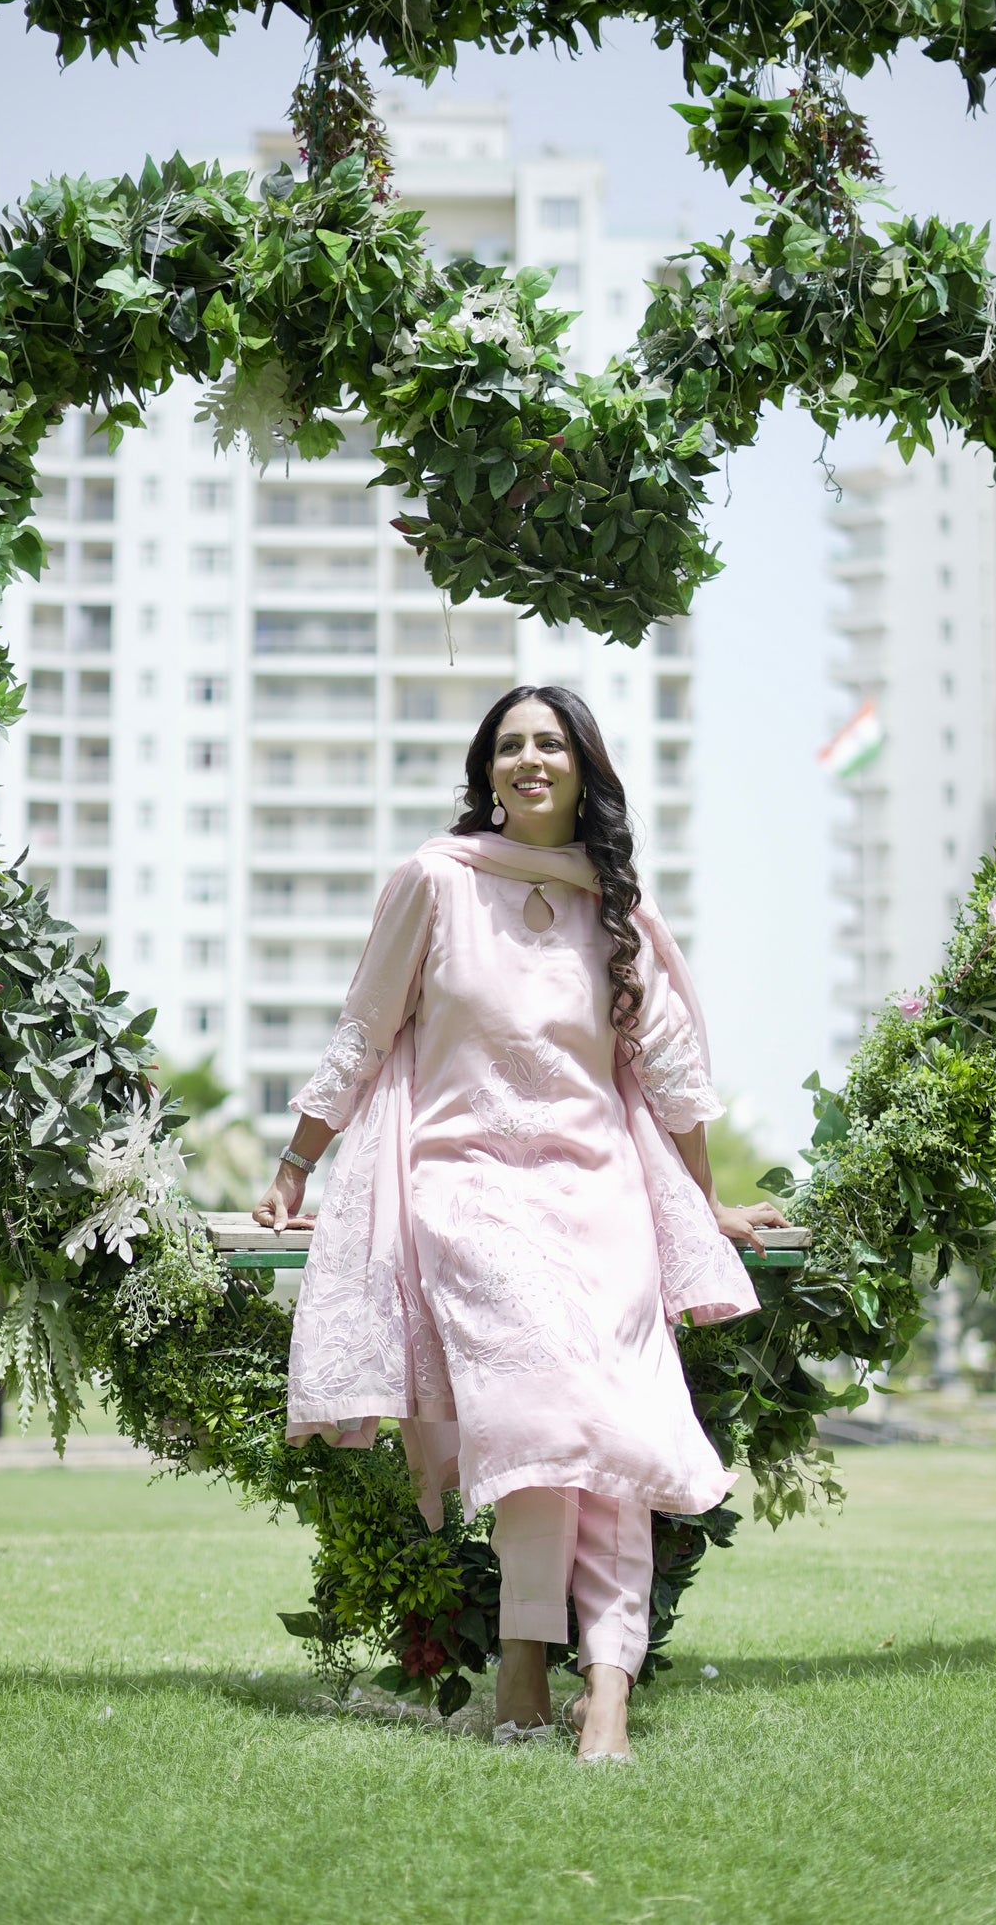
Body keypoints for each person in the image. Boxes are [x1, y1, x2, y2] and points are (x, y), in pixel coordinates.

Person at [254, 685, 785, 1760]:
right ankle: (525, 1659)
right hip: (468, 1193)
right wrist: (294, 1163)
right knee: (547, 1415)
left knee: (611, 1429)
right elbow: (362, 1030)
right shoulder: (434, 883)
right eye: (509, 746)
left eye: (549, 743)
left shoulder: (614, 906)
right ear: (484, 770)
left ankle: (600, 1690)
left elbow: (670, 1075)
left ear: (583, 768)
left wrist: (705, 1200)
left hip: (600, 1200)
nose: (528, 760)